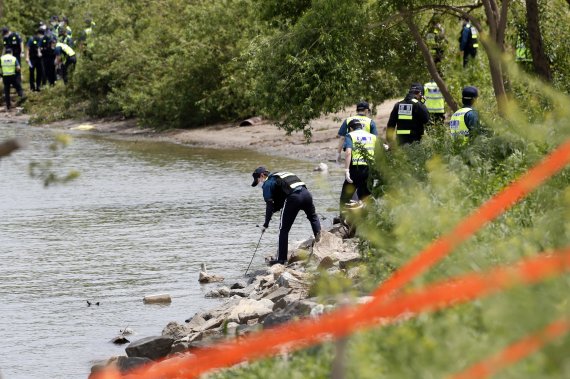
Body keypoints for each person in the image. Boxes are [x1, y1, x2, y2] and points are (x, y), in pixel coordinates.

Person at [251, 167, 321, 266]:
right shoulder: (279, 176)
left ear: (262, 176)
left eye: (257, 181)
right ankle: (321, 245)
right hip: (306, 194)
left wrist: (266, 224)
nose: (259, 184)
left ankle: (282, 259)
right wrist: (270, 214)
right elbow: (280, 202)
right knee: (313, 218)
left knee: (283, 229)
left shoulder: (267, 183)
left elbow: (270, 205)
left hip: (294, 198)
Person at [340, 119, 377, 217]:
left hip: (356, 170)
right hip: (369, 170)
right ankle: (367, 218)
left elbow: (348, 153)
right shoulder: (373, 137)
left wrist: (347, 170)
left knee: (345, 196)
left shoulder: (350, 135)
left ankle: (342, 219)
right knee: (366, 196)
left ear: (351, 128)